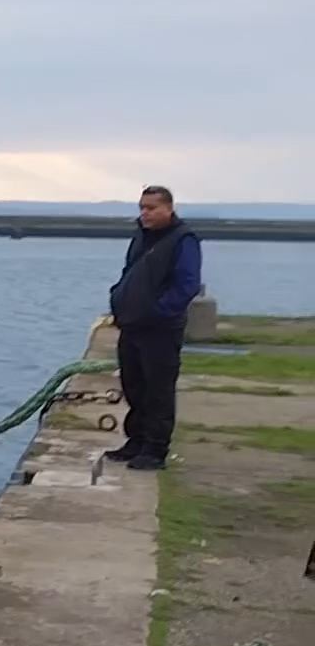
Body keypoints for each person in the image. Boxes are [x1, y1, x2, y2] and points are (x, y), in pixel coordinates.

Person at [106, 185, 203, 471]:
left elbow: (187, 284)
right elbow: (131, 273)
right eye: (142, 208)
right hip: (132, 325)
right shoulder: (141, 237)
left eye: (151, 208)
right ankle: (136, 440)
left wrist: (158, 312)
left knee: (158, 390)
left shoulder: (183, 240)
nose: (145, 214)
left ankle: (155, 450)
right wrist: (119, 300)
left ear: (169, 208)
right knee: (134, 385)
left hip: (160, 329)